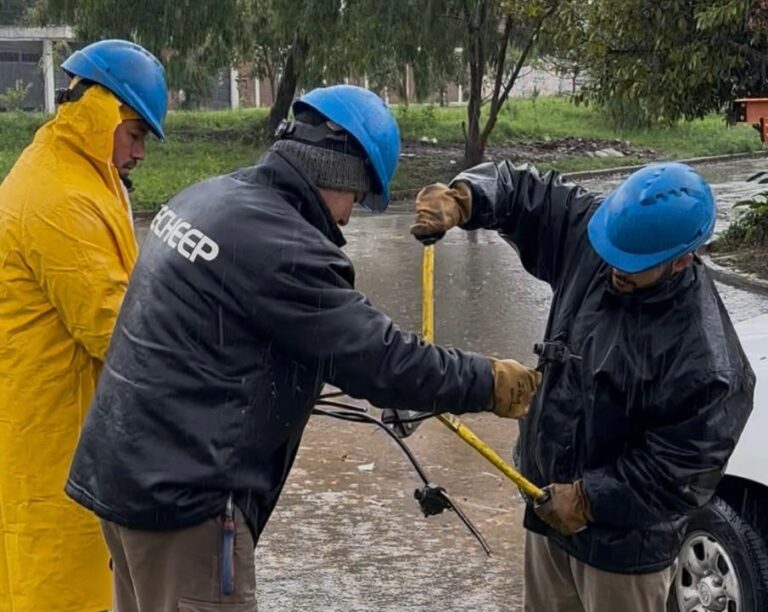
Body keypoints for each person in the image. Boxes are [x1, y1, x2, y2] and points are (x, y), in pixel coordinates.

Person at [64, 84, 541, 611]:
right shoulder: (283, 245)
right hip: (187, 505)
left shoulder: (208, 198)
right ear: (336, 170)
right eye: (357, 197)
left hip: (124, 476)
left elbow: (215, 347)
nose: (347, 218)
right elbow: (377, 359)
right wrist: (488, 381)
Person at [410, 161, 755, 612]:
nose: (613, 268)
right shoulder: (600, 236)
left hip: (624, 555)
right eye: (610, 254)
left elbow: (681, 472)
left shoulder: (710, 364)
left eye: (632, 266)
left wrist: (590, 499)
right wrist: (467, 197)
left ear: (681, 260)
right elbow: (527, 193)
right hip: (547, 509)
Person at [0, 39, 168, 612]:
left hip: (68, 433)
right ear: (104, 114)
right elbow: (120, 331)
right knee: (62, 590)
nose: (140, 154)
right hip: (57, 441)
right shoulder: (60, 199)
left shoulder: (78, 173)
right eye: (137, 134)